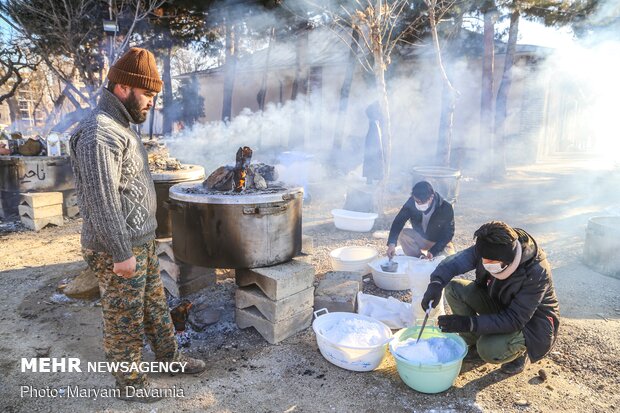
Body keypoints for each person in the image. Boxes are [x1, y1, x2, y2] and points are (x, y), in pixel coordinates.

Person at [70, 47, 205, 403]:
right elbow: (102, 201)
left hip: (139, 242)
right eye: (147, 94)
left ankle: (170, 360)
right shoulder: (100, 134)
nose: (151, 103)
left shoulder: (120, 127)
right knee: (124, 321)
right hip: (118, 248)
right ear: (124, 88)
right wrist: (120, 252)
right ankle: (130, 384)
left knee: (154, 306)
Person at [421, 221, 560, 374]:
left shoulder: (536, 271)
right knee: (454, 288)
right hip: (501, 304)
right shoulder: (489, 247)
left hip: (530, 323)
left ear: (507, 259)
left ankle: (520, 352)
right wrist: (436, 283)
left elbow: (515, 319)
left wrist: (468, 323)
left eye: (490, 261)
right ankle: (472, 343)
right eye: (483, 259)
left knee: (488, 349)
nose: (485, 263)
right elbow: (455, 262)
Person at [387, 181, 455, 260]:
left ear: (431, 197)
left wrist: (433, 251)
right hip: (422, 239)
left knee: (447, 262)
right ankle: (418, 258)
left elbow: (448, 234)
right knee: (404, 234)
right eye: (416, 201)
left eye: (421, 202)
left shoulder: (445, 208)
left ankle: (434, 257)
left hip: (438, 243)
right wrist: (391, 243)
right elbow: (399, 221)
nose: (418, 204)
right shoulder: (412, 202)